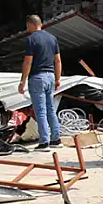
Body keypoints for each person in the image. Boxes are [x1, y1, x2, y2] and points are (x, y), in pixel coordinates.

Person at [17, 15, 63, 150]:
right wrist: (57, 79)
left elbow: (28, 61)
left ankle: (44, 142)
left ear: (30, 25)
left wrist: (22, 81)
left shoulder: (31, 39)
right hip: (50, 77)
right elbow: (58, 60)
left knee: (40, 111)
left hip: (37, 78)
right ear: (40, 24)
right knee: (50, 109)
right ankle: (56, 139)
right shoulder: (52, 38)